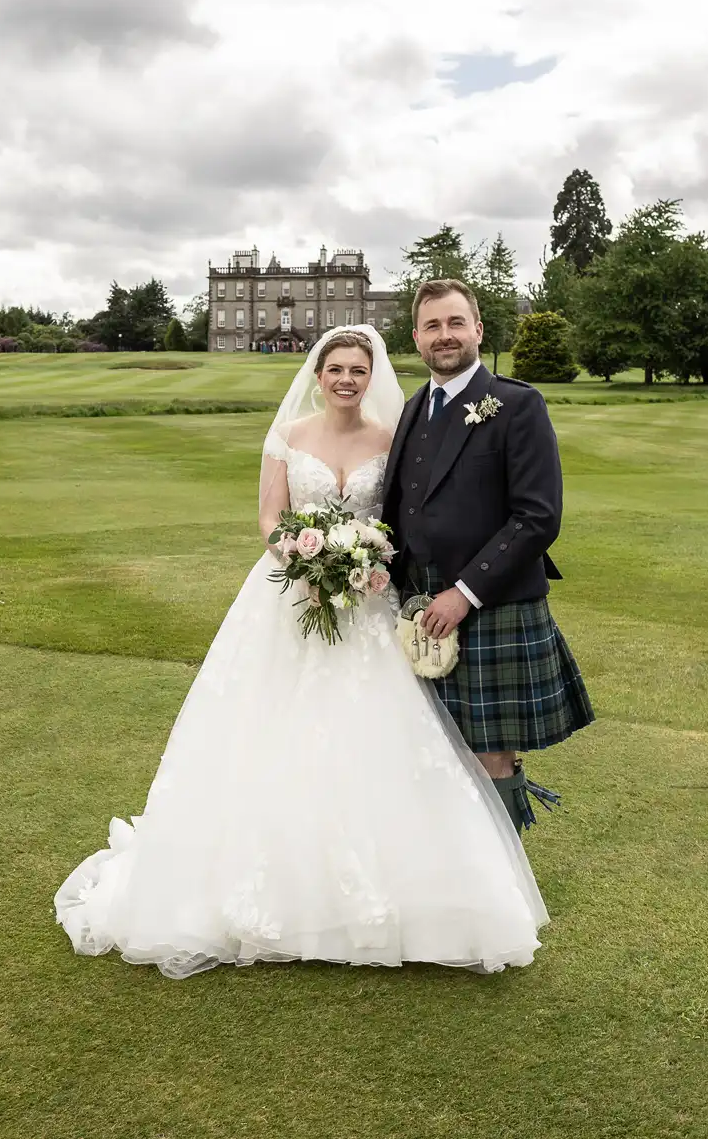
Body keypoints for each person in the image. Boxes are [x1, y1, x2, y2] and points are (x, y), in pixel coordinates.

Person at [55, 325, 546, 978]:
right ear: (317, 374)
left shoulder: (390, 438)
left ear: (371, 377)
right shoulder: (288, 435)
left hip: (367, 607)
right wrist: (302, 558)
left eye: (358, 370)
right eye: (336, 368)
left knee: (380, 736)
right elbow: (268, 517)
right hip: (290, 601)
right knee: (269, 730)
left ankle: (410, 890)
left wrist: (374, 560)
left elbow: (402, 516)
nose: (347, 379)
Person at [382, 279, 593, 829]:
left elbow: (537, 517)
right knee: (432, 742)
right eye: (432, 326)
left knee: (491, 750)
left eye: (455, 323)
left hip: (490, 603)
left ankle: (506, 888)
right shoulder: (410, 410)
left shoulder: (518, 404)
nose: (444, 335)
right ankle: (455, 869)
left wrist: (464, 592)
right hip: (418, 608)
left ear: (478, 329)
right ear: (416, 338)